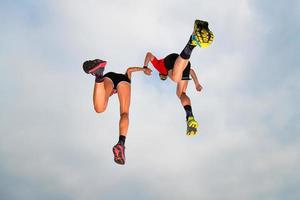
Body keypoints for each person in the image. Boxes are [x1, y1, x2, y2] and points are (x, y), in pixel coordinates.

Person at [143, 20, 213, 136]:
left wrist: (145, 67)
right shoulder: (171, 72)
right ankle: (190, 116)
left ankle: (191, 42)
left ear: (162, 75)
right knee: (181, 94)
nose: (163, 77)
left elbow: (149, 54)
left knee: (175, 79)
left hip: (170, 60)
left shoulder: (160, 68)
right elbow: (190, 71)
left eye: (162, 77)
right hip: (183, 64)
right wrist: (197, 83)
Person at [83, 59, 152, 165]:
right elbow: (129, 70)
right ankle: (121, 143)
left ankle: (99, 75)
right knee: (124, 113)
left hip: (109, 76)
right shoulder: (126, 80)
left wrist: (143, 69)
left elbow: (129, 70)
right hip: (124, 81)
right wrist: (144, 69)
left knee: (101, 105)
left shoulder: (126, 77)